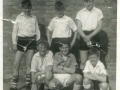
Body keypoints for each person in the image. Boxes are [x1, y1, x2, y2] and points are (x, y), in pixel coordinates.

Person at [10, 0, 40, 90]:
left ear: (31, 7)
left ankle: (28, 84)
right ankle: (14, 85)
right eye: (25, 8)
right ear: (23, 8)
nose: (27, 10)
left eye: (29, 8)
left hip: (31, 41)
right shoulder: (19, 17)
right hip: (21, 41)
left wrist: (37, 41)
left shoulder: (34, 18)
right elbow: (14, 31)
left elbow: (37, 31)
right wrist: (14, 43)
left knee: (28, 63)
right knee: (16, 63)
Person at [76, 0, 103, 73]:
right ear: (84, 2)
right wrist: (85, 37)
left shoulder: (98, 11)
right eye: (86, 1)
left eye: (90, 1)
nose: (88, 3)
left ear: (93, 2)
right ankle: (83, 79)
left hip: (94, 35)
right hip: (83, 36)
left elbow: (100, 26)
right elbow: (79, 27)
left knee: (95, 60)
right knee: (83, 60)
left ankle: (96, 80)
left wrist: (89, 36)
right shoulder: (80, 12)